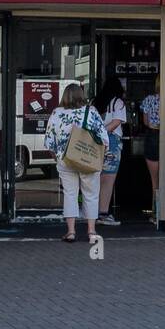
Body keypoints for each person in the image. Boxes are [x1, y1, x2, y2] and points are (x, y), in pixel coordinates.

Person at [44, 83, 109, 245]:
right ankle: (91, 231)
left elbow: (49, 142)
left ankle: (71, 231)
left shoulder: (57, 113)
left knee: (70, 194)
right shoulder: (91, 112)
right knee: (91, 194)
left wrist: (57, 157)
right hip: (88, 159)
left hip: (66, 160)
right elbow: (104, 139)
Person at [96, 77, 126, 227]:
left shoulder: (95, 102)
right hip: (112, 143)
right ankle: (103, 213)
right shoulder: (118, 103)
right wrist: (104, 132)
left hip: (95, 143)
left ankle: (92, 212)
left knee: (95, 177)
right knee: (108, 180)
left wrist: (97, 133)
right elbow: (116, 123)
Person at [140, 79, 161, 218]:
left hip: (152, 134)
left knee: (155, 180)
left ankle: (156, 212)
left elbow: (146, 122)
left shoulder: (149, 99)